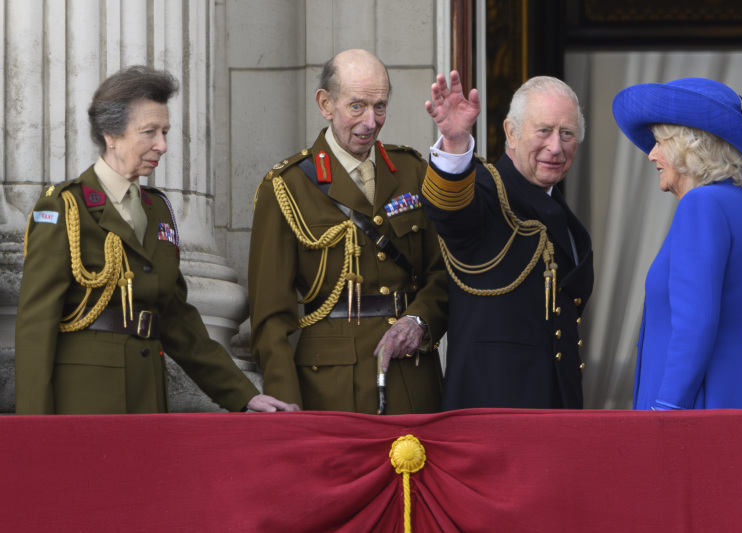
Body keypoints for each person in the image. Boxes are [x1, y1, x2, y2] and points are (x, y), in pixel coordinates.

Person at [15, 65, 298, 415]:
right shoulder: (65, 206)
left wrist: (244, 395)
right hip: (85, 401)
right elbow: (36, 326)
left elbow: (177, 319)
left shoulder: (158, 210)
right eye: (149, 131)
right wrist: (32, 427)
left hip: (148, 396)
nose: (162, 145)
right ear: (111, 134)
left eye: (164, 132)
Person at [248, 49, 448, 414]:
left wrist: (419, 320)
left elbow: (443, 272)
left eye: (379, 107)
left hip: (412, 380)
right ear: (325, 104)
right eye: (357, 106)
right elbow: (270, 319)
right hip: (332, 388)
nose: (370, 122)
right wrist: (285, 409)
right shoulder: (286, 187)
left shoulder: (412, 171)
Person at [421, 71, 594, 410]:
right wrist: (456, 144)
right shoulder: (486, 190)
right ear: (511, 133)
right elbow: (449, 211)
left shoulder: (558, 209)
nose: (555, 147)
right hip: (493, 412)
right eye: (543, 130)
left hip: (555, 411)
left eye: (567, 133)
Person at [612, 77, 742, 410]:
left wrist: (667, 409)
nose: (651, 154)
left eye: (659, 142)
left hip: (699, 405)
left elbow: (694, 324)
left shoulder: (700, 204)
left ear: (688, 147)